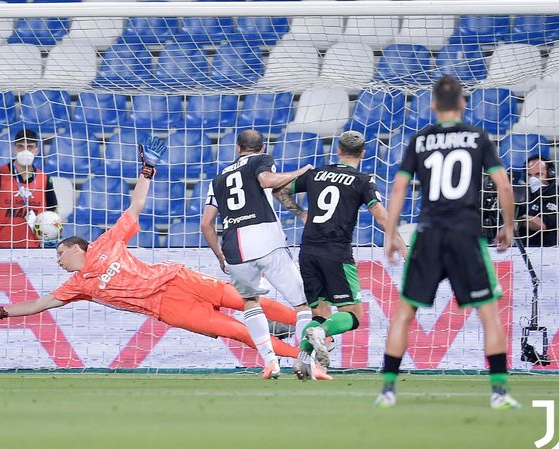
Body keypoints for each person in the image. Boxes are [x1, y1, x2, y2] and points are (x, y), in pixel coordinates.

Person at [0, 137, 300, 373]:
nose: (58, 260)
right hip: (167, 308)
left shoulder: (107, 242)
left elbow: (136, 205)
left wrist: (147, 171)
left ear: (76, 246)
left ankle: (314, 322)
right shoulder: (78, 285)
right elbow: (38, 304)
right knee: (239, 332)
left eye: (60, 252)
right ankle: (303, 355)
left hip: (178, 278)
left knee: (246, 300)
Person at [375, 75, 520, 409]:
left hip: (428, 233)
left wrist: (391, 235)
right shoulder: (478, 137)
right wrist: (508, 226)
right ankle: (499, 392)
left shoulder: (420, 140)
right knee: (488, 313)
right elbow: (504, 186)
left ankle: (387, 391)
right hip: (466, 233)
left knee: (405, 311)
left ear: (432, 105)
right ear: (463, 104)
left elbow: (398, 188)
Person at [274, 130, 405, 380]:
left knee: (320, 313)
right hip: (336, 252)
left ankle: (303, 360)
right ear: (363, 153)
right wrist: (400, 244)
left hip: (308, 250)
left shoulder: (315, 173)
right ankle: (322, 334)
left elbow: (279, 190)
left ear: (338, 150)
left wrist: (301, 213)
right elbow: (379, 214)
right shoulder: (362, 180)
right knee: (353, 314)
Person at [201, 130, 314, 380]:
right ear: (261, 148)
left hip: (234, 248)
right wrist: (298, 173)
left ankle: (270, 363)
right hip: (266, 240)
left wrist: (220, 255)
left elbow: (206, 224)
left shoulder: (218, 178)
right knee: (302, 304)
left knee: (250, 302)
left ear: (237, 148)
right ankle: (305, 361)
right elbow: (266, 181)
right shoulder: (260, 161)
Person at [0, 129, 58, 248]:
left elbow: (53, 212)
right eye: (20, 146)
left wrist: (52, 235)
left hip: (32, 249)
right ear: (15, 149)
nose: (25, 151)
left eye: (29, 147)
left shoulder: (45, 179)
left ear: (36, 151)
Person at [510, 156, 558, 247]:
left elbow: (541, 225)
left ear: (550, 174)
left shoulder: (555, 194)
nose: (532, 179)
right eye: (529, 175)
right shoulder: (524, 193)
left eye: (538, 174)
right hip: (523, 249)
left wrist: (518, 219)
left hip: (549, 251)